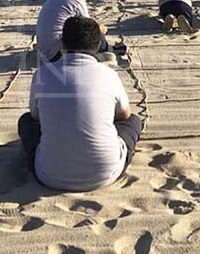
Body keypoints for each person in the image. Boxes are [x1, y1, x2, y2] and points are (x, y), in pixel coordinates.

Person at [18, 16, 143, 191]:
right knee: (134, 121)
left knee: (26, 122)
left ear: (62, 43)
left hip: (49, 174)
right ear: (99, 45)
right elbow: (125, 115)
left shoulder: (43, 73)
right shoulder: (108, 74)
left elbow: (35, 116)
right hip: (105, 173)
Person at [35, 0, 114, 64]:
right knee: (95, 33)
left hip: (44, 50)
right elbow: (88, 28)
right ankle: (107, 50)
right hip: (56, 53)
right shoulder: (76, 0)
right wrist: (100, 30)